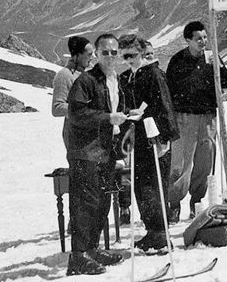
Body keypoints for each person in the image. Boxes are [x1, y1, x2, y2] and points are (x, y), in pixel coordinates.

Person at [64, 34, 135, 275]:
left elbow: (114, 110)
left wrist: (126, 114)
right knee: (86, 202)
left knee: (102, 201)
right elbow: (76, 114)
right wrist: (108, 118)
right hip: (86, 151)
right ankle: (78, 256)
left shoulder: (114, 80)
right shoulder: (86, 81)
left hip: (105, 150)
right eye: (106, 52)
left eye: (115, 53)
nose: (111, 57)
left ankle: (92, 249)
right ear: (96, 53)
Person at [165, 21, 227, 222]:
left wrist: (218, 66)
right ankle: (174, 204)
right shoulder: (178, 60)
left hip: (207, 117)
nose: (203, 42)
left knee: (204, 162)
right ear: (188, 40)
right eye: (198, 39)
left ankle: (197, 202)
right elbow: (170, 89)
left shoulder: (212, 57)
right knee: (181, 164)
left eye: (205, 37)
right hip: (184, 117)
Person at [118, 35, 179, 251]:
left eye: (132, 56)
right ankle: (152, 231)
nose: (128, 60)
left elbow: (165, 106)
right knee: (141, 186)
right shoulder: (126, 77)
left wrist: (164, 139)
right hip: (138, 137)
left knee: (155, 186)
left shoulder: (154, 74)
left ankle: (162, 233)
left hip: (155, 137)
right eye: (124, 56)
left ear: (142, 53)